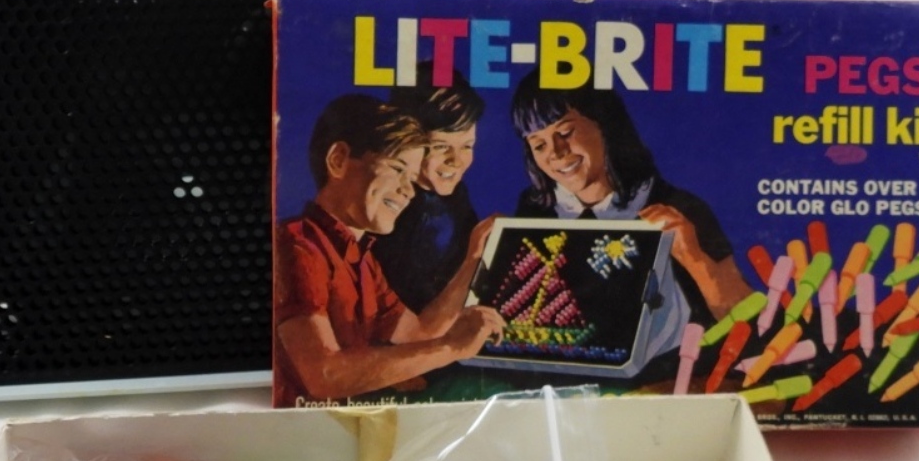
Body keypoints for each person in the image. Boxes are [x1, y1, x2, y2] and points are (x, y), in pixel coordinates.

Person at [275, 94, 503, 406]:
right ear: (338, 160)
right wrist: (452, 348)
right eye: (397, 169)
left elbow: (420, 333)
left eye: (412, 178)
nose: (408, 191)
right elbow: (324, 374)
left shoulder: (362, 259)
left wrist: (473, 259)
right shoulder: (297, 245)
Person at [510, 72, 751, 362]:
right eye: (539, 145)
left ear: (603, 122)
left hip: (670, 372)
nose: (557, 153)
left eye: (566, 132)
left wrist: (695, 259)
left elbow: (745, 319)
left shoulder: (678, 209)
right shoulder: (534, 211)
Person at [374, 71, 485, 313]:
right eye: (441, 146)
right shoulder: (387, 208)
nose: (456, 161)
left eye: (467, 146)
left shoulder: (456, 196)